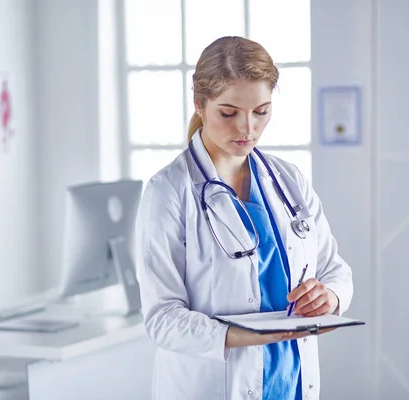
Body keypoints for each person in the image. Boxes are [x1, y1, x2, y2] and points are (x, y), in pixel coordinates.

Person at [135, 36, 353, 400]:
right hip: (214, 386)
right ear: (200, 105)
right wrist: (242, 336)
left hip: (290, 382)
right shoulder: (169, 191)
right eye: (229, 113)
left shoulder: (289, 180)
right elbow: (162, 318)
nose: (247, 129)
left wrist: (328, 297)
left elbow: (335, 269)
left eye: (261, 112)